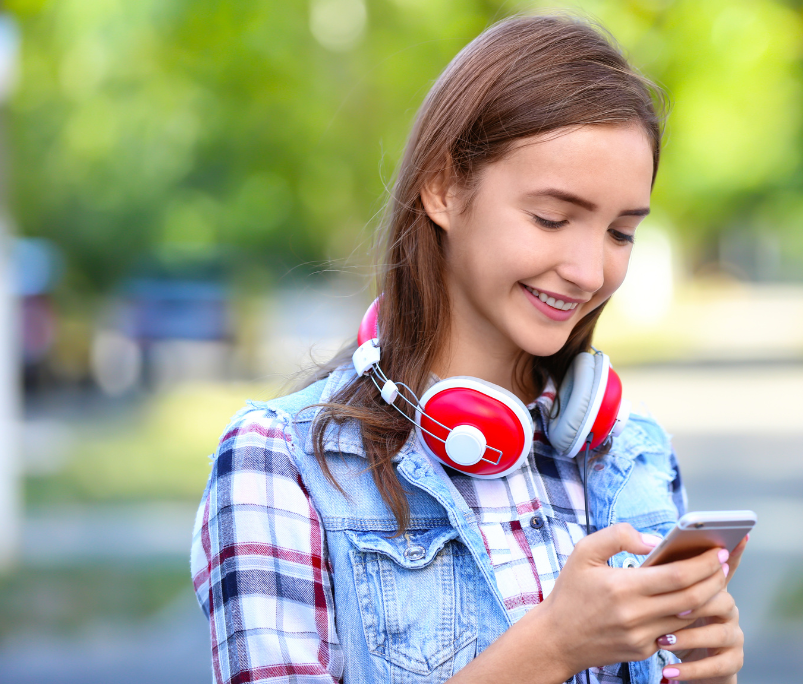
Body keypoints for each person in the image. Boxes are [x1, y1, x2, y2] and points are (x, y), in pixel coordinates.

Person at [191, 13, 747, 684]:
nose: (590, 271)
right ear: (444, 188)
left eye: (621, 233)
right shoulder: (281, 465)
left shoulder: (627, 457)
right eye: (552, 218)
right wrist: (552, 648)